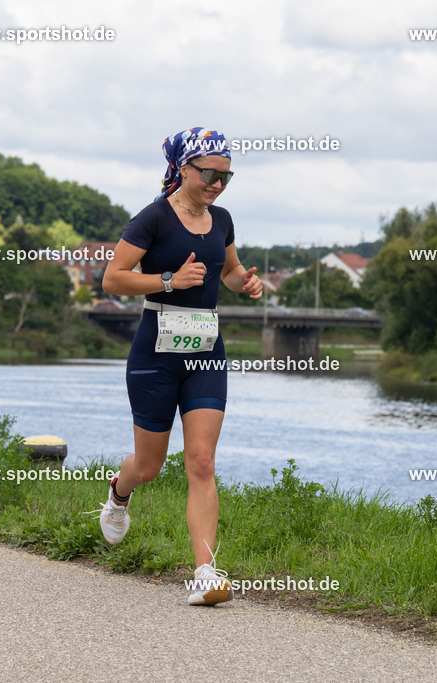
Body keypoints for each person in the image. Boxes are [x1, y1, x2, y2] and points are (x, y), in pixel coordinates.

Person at [93, 127, 262, 605]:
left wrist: (245, 282)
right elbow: (113, 279)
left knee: (202, 461)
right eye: (209, 174)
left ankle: (205, 573)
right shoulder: (153, 218)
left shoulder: (222, 219)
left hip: (206, 351)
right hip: (155, 354)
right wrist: (169, 280)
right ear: (184, 169)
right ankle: (119, 492)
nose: (217, 184)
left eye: (226, 177)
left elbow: (229, 270)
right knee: (149, 466)